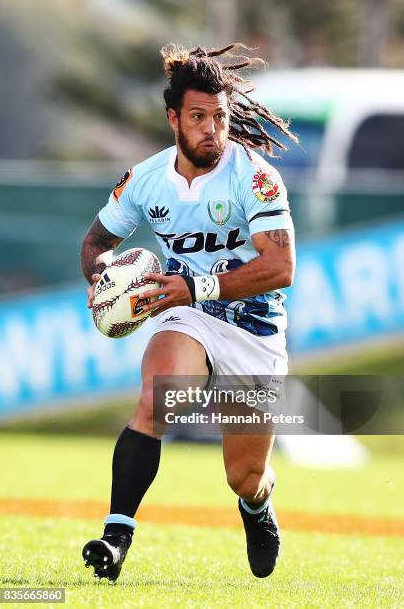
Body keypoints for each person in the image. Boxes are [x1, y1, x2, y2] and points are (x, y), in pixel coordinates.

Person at [80, 43, 297, 584]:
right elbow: (96, 241)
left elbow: (281, 267)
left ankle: (256, 506)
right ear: (173, 118)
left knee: (244, 475)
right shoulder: (146, 179)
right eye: (198, 117)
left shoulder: (254, 176)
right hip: (187, 314)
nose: (211, 130)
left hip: (254, 328)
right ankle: (116, 536)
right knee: (157, 395)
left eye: (219, 118)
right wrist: (105, 278)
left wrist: (194, 285)